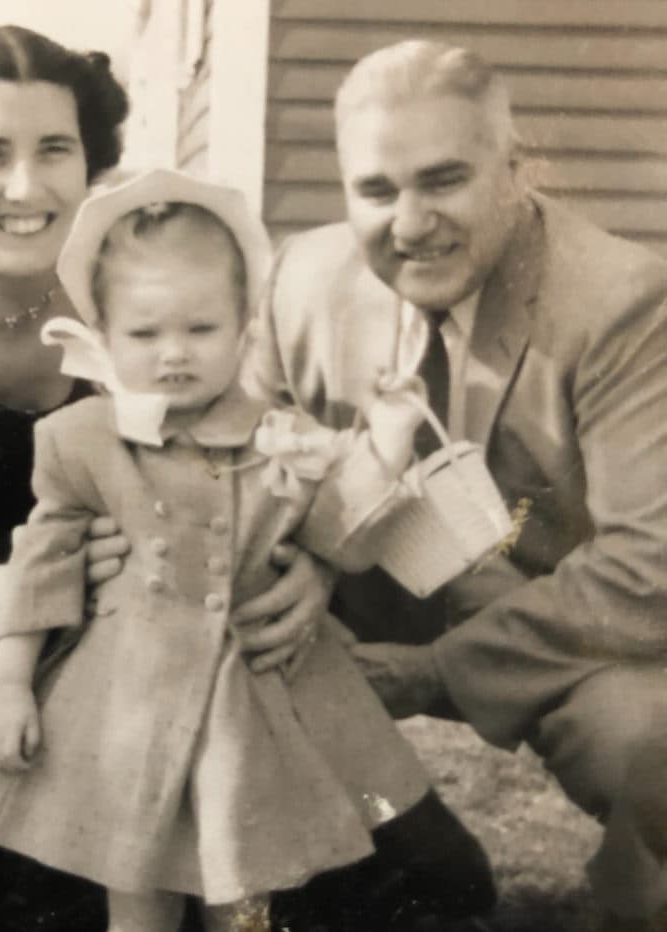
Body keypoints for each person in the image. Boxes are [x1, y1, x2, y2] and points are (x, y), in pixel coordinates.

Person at [0, 26, 345, 932]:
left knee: (276, 728)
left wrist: (308, 569)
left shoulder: (133, 288)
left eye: (54, 149)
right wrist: (43, 590)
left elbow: (254, 453)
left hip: (144, 613)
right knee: (28, 737)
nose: (26, 186)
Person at [0, 168, 447, 932]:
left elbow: (345, 532)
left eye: (200, 330)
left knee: (243, 891)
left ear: (242, 327)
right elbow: (40, 567)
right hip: (126, 703)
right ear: (104, 336)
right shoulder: (81, 443)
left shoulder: (284, 437)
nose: (174, 354)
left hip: (250, 704)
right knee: (135, 888)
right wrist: (12, 684)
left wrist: (389, 441)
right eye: (145, 334)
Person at [245, 38, 667, 932]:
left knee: (650, 745)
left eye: (443, 180)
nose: (409, 223)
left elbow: (647, 570)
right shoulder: (298, 282)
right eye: (376, 190)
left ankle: (637, 898)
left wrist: (437, 672)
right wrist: (305, 570)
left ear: (515, 170)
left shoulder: (625, 302)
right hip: (357, 591)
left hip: (554, 614)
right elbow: (235, 482)